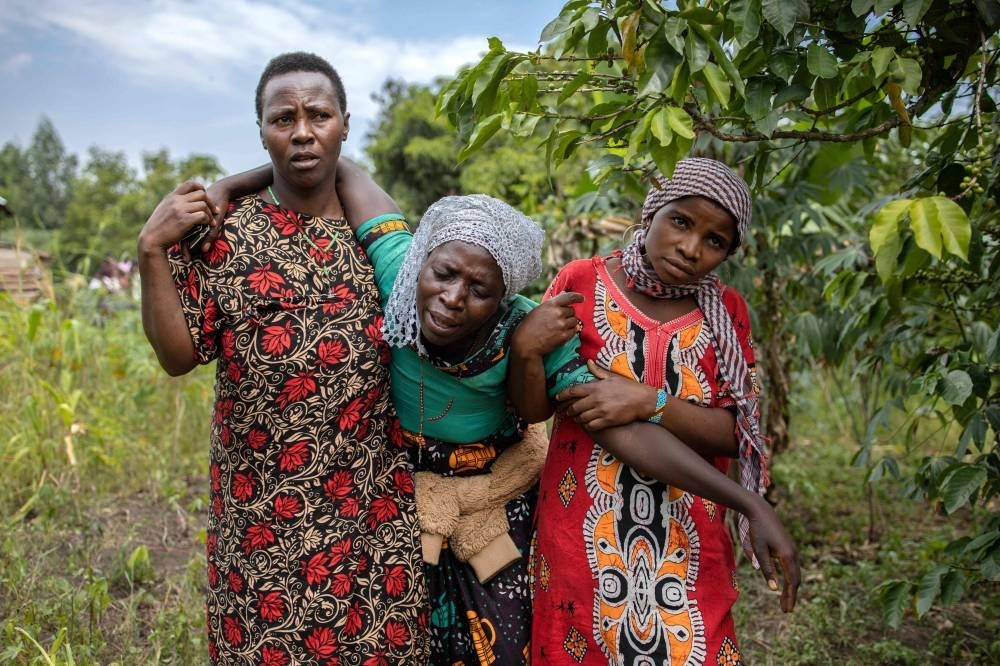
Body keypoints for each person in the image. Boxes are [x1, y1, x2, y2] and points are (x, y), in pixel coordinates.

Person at [210, 161, 798, 666]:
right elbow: (340, 166)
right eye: (442, 275)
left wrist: (526, 351)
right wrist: (226, 187)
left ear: (507, 296)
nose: (453, 298)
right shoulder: (400, 273)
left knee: (504, 642)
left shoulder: (530, 324)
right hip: (395, 503)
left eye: (480, 288)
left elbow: (579, 414)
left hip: (500, 501)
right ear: (421, 263)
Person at [137, 52, 427, 665]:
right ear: (262, 131)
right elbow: (177, 356)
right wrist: (150, 252)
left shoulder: (378, 233)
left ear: (344, 124)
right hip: (261, 514)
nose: (301, 131)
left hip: (369, 512)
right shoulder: (225, 233)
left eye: (318, 115)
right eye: (282, 118)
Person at [519, 157, 781, 665]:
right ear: (652, 213)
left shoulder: (728, 314)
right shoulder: (583, 282)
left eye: (715, 241)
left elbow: (736, 434)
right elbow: (535, 408)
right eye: (681, 221)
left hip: (691, 537)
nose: (690, 248)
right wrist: (528, 350)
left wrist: (650, 400)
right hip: (582, 538)